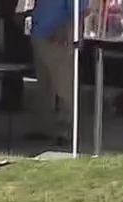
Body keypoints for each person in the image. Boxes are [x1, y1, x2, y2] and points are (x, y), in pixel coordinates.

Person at [28, 0, 77, 145]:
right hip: (39, 33)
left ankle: (66, 131)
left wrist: (66, 28)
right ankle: (45, 129)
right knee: (44, 85)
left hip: (58, 37)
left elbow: (80, 8)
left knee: (63, 85)